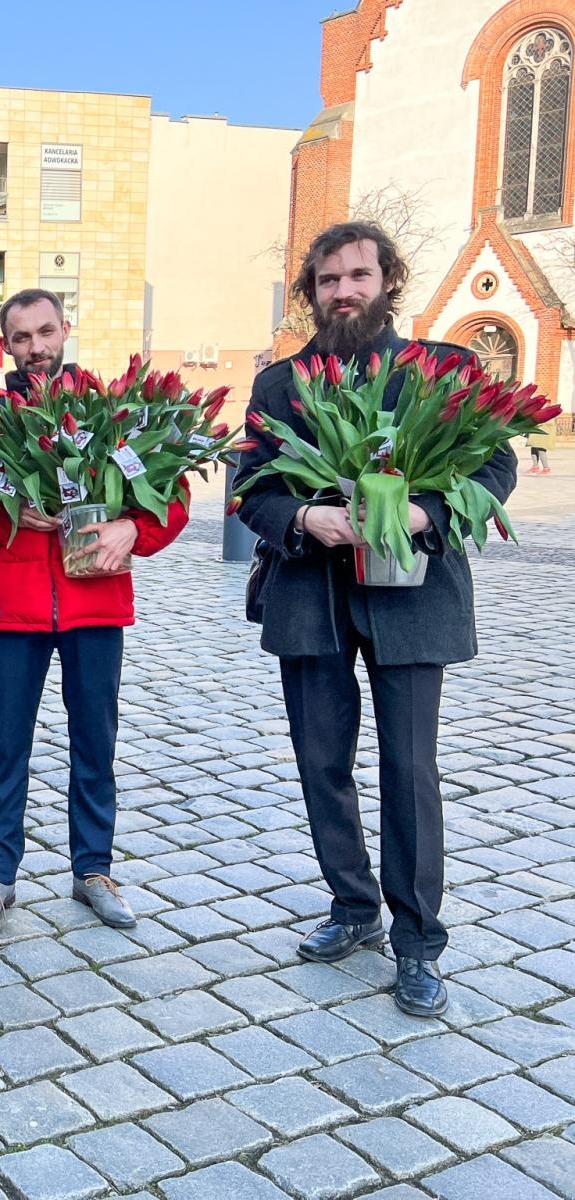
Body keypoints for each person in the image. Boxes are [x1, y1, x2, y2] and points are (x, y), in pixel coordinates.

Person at [236, 221, 517, 1017]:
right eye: (328, 280)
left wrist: (426, 514)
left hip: (412, 593)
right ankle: (353, 908)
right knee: (321, 761)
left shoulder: (445, 369)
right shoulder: (280, 385)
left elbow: (493, 466)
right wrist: (301, 520)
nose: (344, 291)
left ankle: (420, 942)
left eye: (358, 275)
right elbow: (252, 486)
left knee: (408, 767)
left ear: (388, 279)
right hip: (311, 594)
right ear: (312, 292)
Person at [0, 289, 189, 933]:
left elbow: (172, 494)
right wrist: (8, 512)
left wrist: (131, 529)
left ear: (66, 329)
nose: (36, 348)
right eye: (21, 338)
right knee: (6, 745)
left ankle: (93, 869)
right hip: (13, 607)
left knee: (96, 742)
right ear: (5, 346)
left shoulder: (113, 408)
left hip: (94, 602)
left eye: (45, 332)